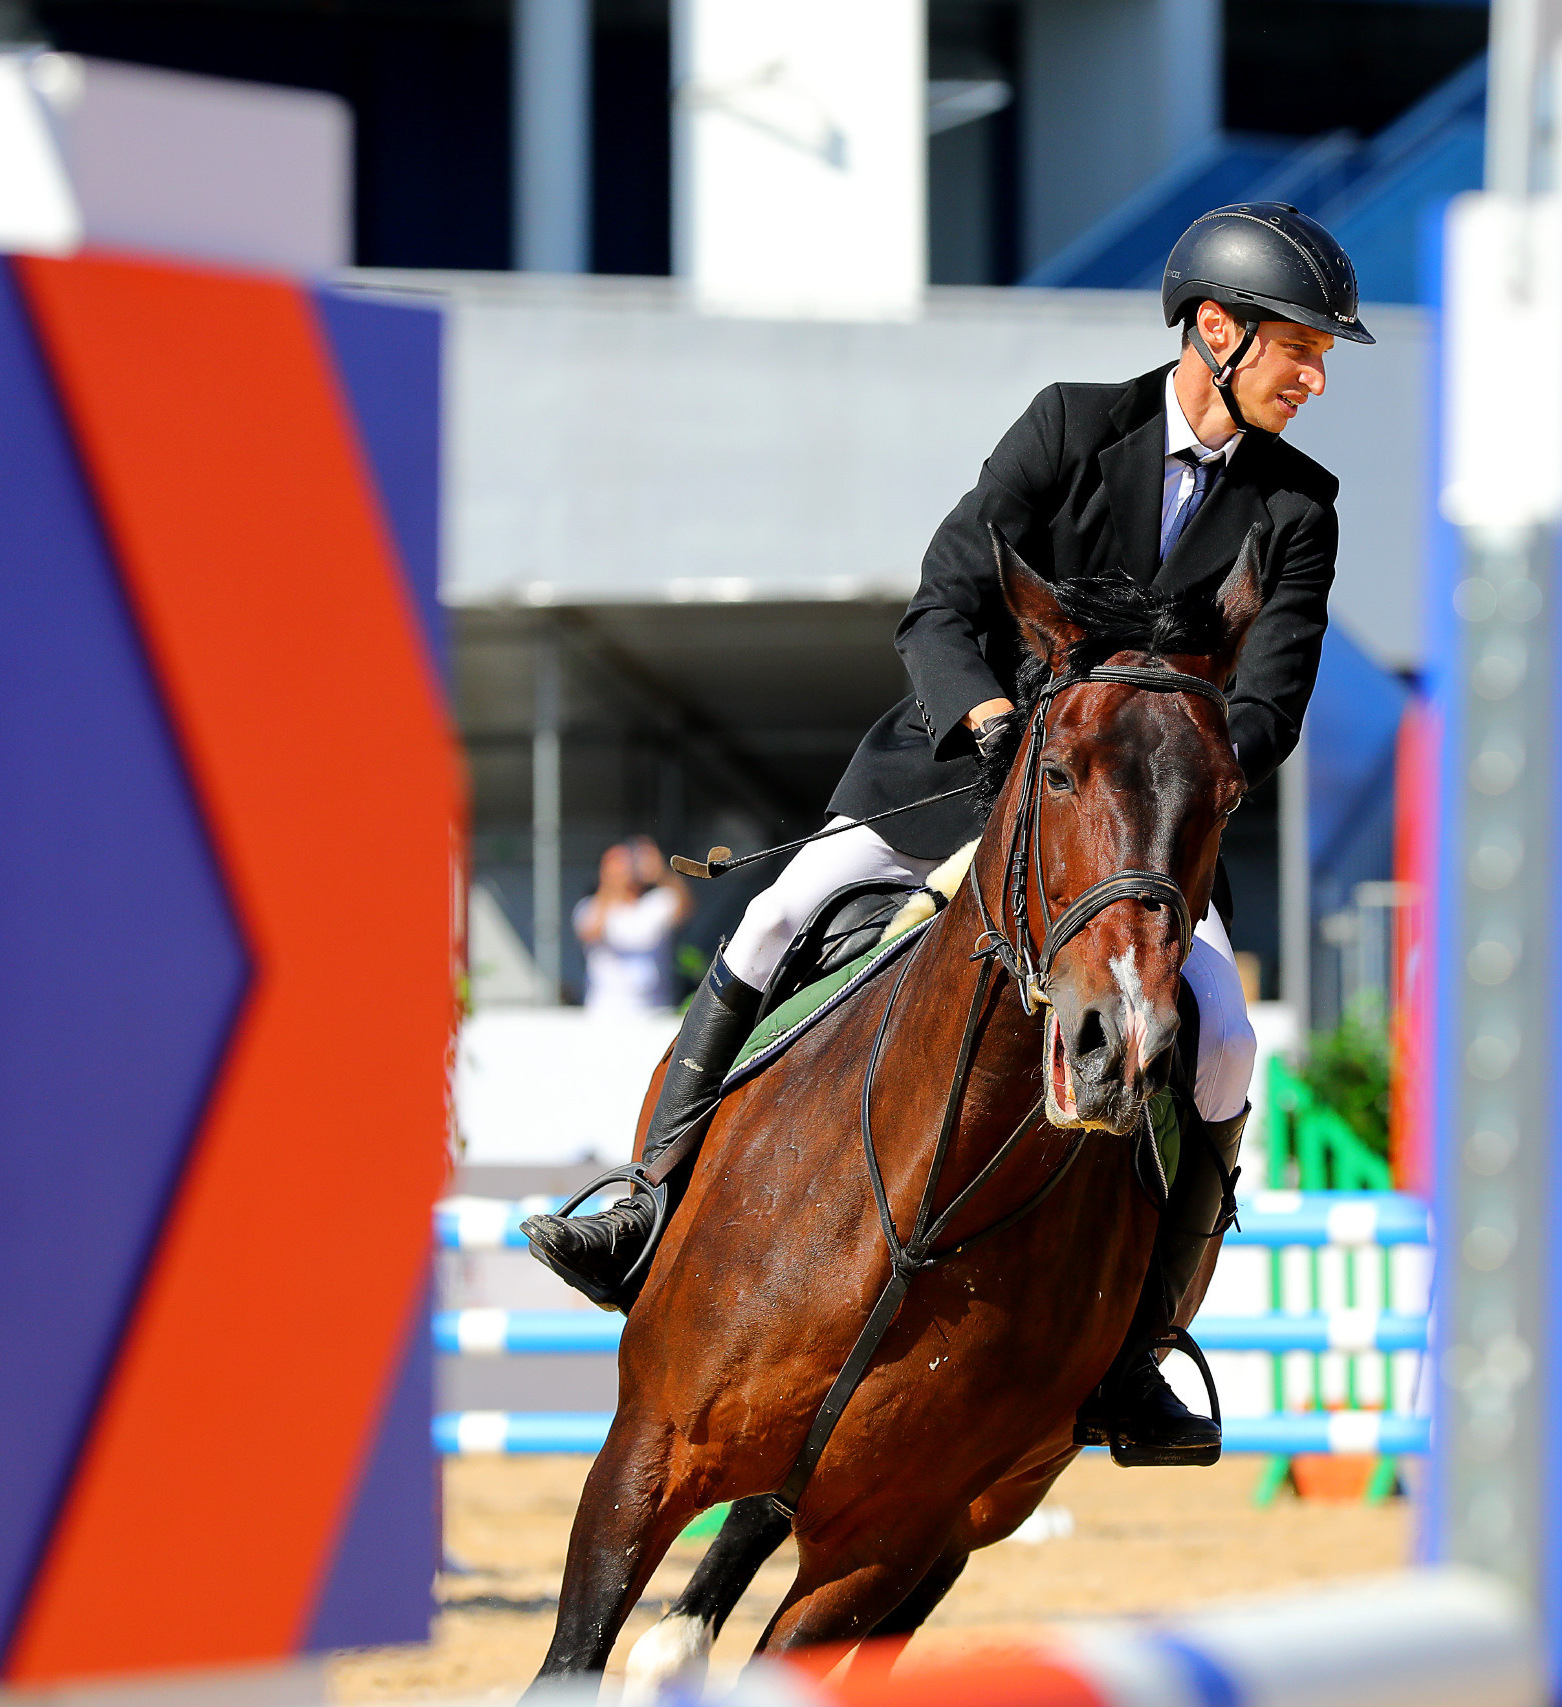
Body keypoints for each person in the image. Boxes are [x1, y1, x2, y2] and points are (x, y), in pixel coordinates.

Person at [521, 202, 1369, 1467]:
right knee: (776, 910)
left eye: (1321, 360)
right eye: (1297, 349)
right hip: (968, 769)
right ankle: (643, 1204)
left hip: (1136, 824)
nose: (1312, 379)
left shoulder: (1299, 508)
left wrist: (1170, 784)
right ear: (1214, 330)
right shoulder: (1073, 427)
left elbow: (1268, 705)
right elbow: (945, 601)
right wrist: (986, 719)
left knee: (1230, 1041)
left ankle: (1137, 1347)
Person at [575, 837, 693, 1015]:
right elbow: (590, 932)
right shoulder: (589, 906)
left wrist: (661, 872)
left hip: (656, 1008)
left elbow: (686, 907)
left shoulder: (656, 903)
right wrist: (611, 883)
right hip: (606, 1010)